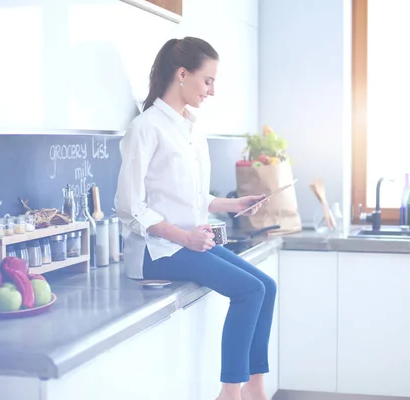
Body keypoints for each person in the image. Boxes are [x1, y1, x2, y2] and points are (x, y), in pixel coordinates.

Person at [115, 37, 277, 400]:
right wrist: (185, 238)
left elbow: (194, 198)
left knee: (267, 286)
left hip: (187, 243)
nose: (212, 90)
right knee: (249, 291)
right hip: (156, 251)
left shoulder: (190, 127)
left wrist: (234, 205)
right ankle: (230, 393)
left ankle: (256, 390)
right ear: (182, 74)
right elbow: (129, 206)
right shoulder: (146, 128)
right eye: (208, 80)